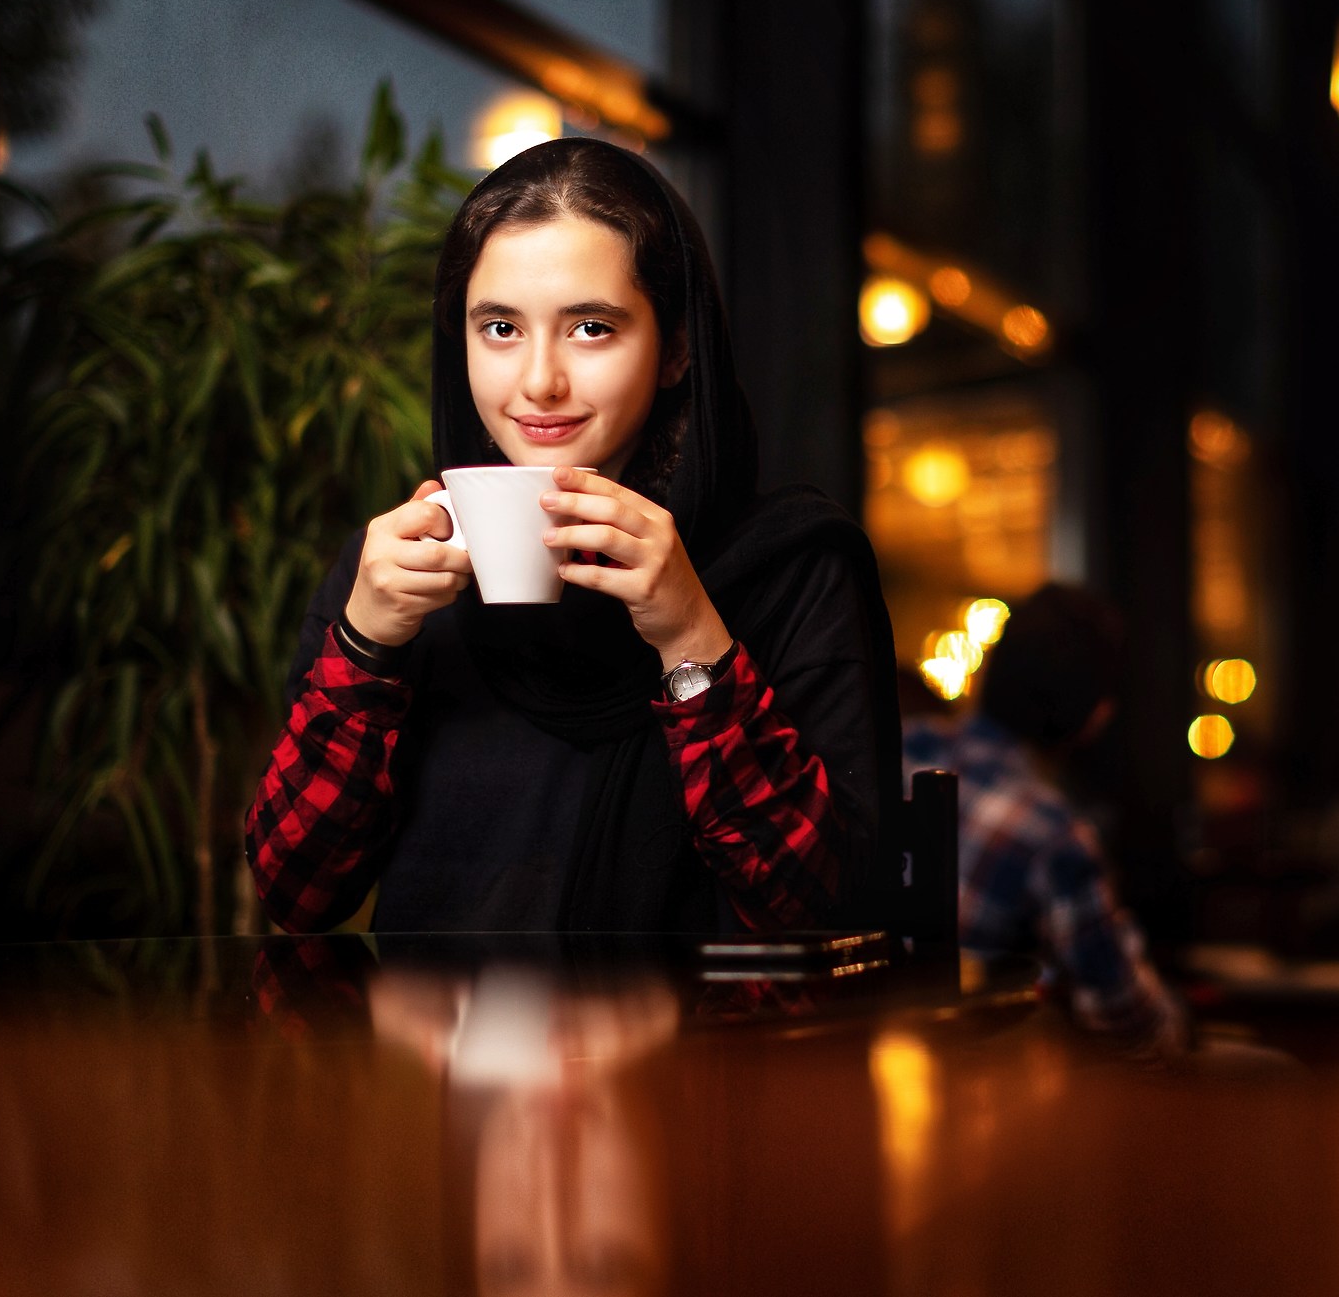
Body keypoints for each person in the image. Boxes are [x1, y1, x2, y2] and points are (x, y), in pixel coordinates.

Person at [247, 137, 897, 934]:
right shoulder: (393, 574)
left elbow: (827, 908)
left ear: (677, 347)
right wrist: (365, 642)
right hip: (443, 1051)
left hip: (708, 1054)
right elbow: (295, 893)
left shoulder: (790, 567)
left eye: (591, 327)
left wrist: (691, 632)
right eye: (499, 328)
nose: (539, 381)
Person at [902, 585, 1186, 1057]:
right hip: (974, 1079)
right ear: (1095, 713)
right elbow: (1127, 1020)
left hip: (843, 1063)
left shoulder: (896, 745)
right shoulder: (1052, 833)